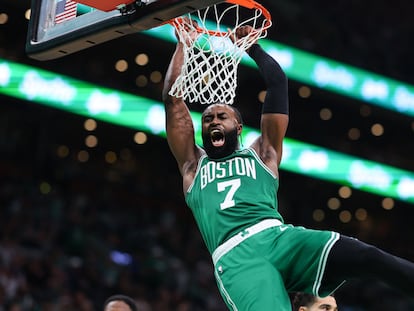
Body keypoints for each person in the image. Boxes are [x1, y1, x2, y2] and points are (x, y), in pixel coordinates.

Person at [162, 22, 414, 311]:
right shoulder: (194, 165)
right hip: (237, 258)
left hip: (279, 237)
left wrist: (252, 48)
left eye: (222, 116)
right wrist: (184, 43)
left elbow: (278, 84)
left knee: (366, 256)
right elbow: (172, 100)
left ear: (239, 127)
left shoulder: (263, 152)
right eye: (207, 119)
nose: (214, 121)